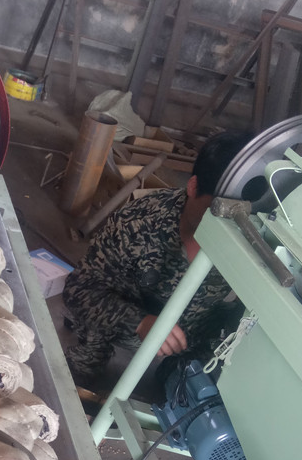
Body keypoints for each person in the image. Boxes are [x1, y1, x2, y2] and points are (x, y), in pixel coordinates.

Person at [62, 130, 252, 393]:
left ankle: (176, 375)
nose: (227, 229)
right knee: (80, 368)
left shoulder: (251, 241)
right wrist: (140, 322)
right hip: (128, 321)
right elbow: (78, 289)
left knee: (187, 390)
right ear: (193, 187)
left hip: (191, 333)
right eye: (217, 213)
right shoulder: (138, 223)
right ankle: (92, 355)